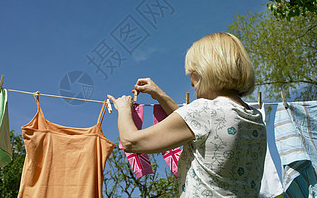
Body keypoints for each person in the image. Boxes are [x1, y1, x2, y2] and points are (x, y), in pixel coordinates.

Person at [108, 32, 267, 197]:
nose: (191, 81)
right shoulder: (255, 117)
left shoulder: (205, 111)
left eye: (193, 73)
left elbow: (130, 141)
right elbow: (197, 126)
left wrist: (124, 109)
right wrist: (159, 95)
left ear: (207, 70)